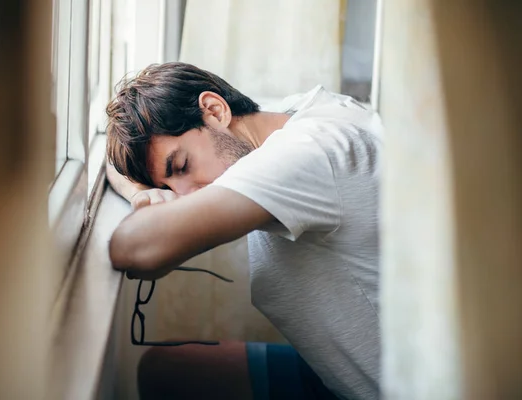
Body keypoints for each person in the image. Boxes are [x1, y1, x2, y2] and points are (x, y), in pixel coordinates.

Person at [106, 62, 382, 400]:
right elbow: (111, 164)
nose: (186, 194)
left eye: (181, 166)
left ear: (214, 109)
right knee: (164, 371)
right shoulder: (291, 115)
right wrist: (145, 186)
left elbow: (136, 250)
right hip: (337, 371)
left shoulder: (302, 155)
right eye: (168, 185)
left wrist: (138, 196)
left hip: (393, 387)